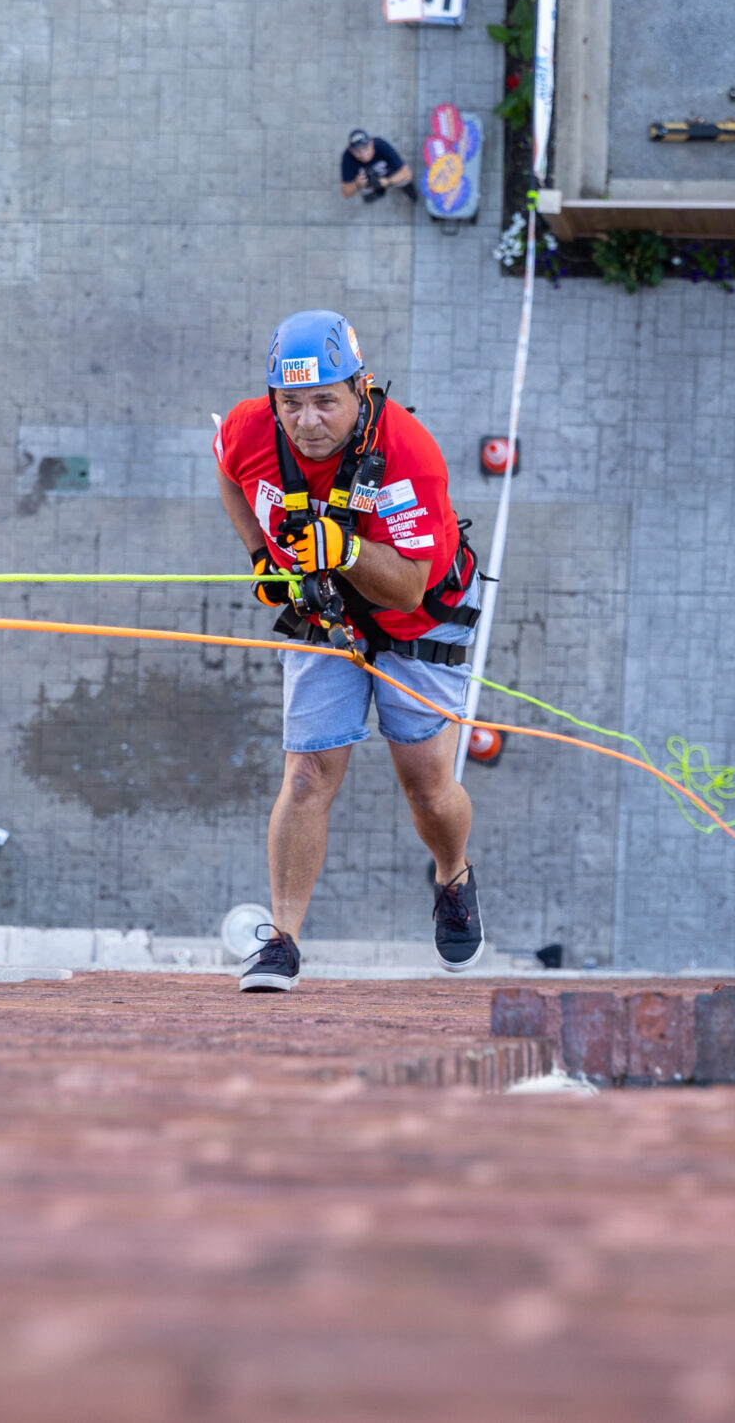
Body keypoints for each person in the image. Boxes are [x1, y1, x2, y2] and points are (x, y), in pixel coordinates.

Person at [215, 311, 486, 991]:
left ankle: (452, 874)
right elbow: (227, 470)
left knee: (425, 781)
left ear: (360, 388)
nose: (307, 421)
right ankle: (282, 942)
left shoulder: (408, 453)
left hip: (419, 615)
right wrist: (259, 554)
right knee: (307, 775)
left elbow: (407, 588)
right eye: (292, 403)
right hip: (323, 612)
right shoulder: (251, 428)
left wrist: (347, 550)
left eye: (325, 401)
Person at [340, 130, 418, 203]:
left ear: (371, 144)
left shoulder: (381, 145)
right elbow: (346, 193)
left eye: (365, 148)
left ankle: (407, 189)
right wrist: (357, 184)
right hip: (367, 182)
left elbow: (407, 174)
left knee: (403, 180)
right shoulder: (347, 157)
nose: (363, 154)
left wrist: (389, 181)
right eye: (358, 151)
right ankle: (376, 193)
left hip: (389, 174)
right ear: (351, 151)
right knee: (363, 189)